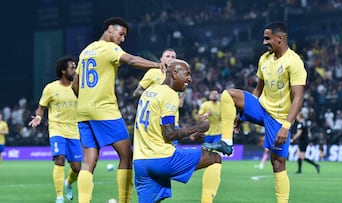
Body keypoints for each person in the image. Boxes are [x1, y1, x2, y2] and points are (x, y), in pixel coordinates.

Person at [203, 22, 307, 203]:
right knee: (228, 94)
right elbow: (258, 89)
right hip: (262, 108)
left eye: (268, 38)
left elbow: (298, 98)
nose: (264, 42)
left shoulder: (294, 62)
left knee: (277, 163)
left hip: (279, 118)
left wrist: (286, 126)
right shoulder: (264, 59)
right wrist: (243, 114)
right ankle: (226, 142)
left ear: (280, 39)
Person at [71, 17, 166, 203]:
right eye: (121, 34)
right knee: (126, 154)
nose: (122, 39)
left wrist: (87, 100)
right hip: (104, 110)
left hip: (83, 111)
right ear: (109, 29)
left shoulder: (86, 50)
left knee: (88, 161)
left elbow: (75, 85)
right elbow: (131, 60)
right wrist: (157, 65)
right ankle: (124, 200)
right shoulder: (110, 48)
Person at [133, 59, 225, 203]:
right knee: (215, 158)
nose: (190, 79)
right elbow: (169, 134)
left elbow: (155, 128)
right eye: (187, 74)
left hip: (140, 162)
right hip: (161, 159)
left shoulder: (149, 91)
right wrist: (197, 127)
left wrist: (192, 134)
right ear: (174, 74)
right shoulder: (169, 94)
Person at [28, 56, 82, 203]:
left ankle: (68, 183)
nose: (75, 70)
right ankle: (59, 196)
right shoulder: (51, 88)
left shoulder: (78, 86)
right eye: (72, 67)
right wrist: (38, 117)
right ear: (63, 71)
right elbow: (41, 107)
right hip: (57, 129)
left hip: (74, 131)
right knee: (59, 158)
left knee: (77, 168)